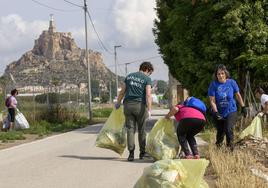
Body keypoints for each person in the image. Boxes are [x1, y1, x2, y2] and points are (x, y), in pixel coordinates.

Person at [115, 61, 154, 161]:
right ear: (147, 70)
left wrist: (118, 102)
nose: (149, 74)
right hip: (140, 106)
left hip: (127, 105)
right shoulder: (147, 79)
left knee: (130, 129)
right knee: (141, 130)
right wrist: (149, 110)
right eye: (150, 72)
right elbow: (148, 94)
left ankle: (131, 154)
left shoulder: (129, 77)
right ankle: (142, 153)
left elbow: (122, 91)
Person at [208, 64, 246, 150]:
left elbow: (238, 95)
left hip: (231, 110)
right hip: (219, 111)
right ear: (216, 75)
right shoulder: (213, 85)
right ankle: (218, 148)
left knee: (228, 129)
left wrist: (243, 107)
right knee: (220, 132)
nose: (221, 75)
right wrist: (216, 112)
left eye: (222, 73)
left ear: (225, 74)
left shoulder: (231, 83)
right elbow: (212, 101)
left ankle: (230, 149)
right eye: (218, 74)